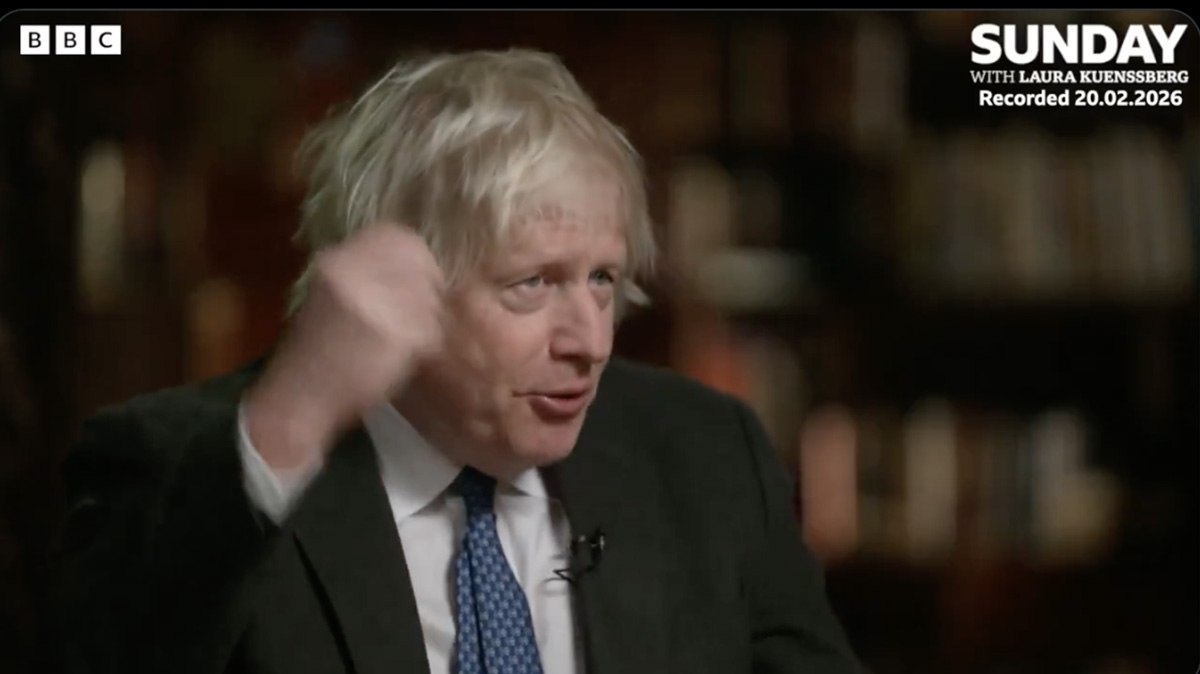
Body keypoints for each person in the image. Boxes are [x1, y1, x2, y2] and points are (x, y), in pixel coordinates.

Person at [41, 48, 864, 674]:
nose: (591, 341)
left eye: (602, 280)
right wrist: (291, 423)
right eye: (533, 283)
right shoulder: (176, 465)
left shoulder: (708, 453)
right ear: (394, 284)